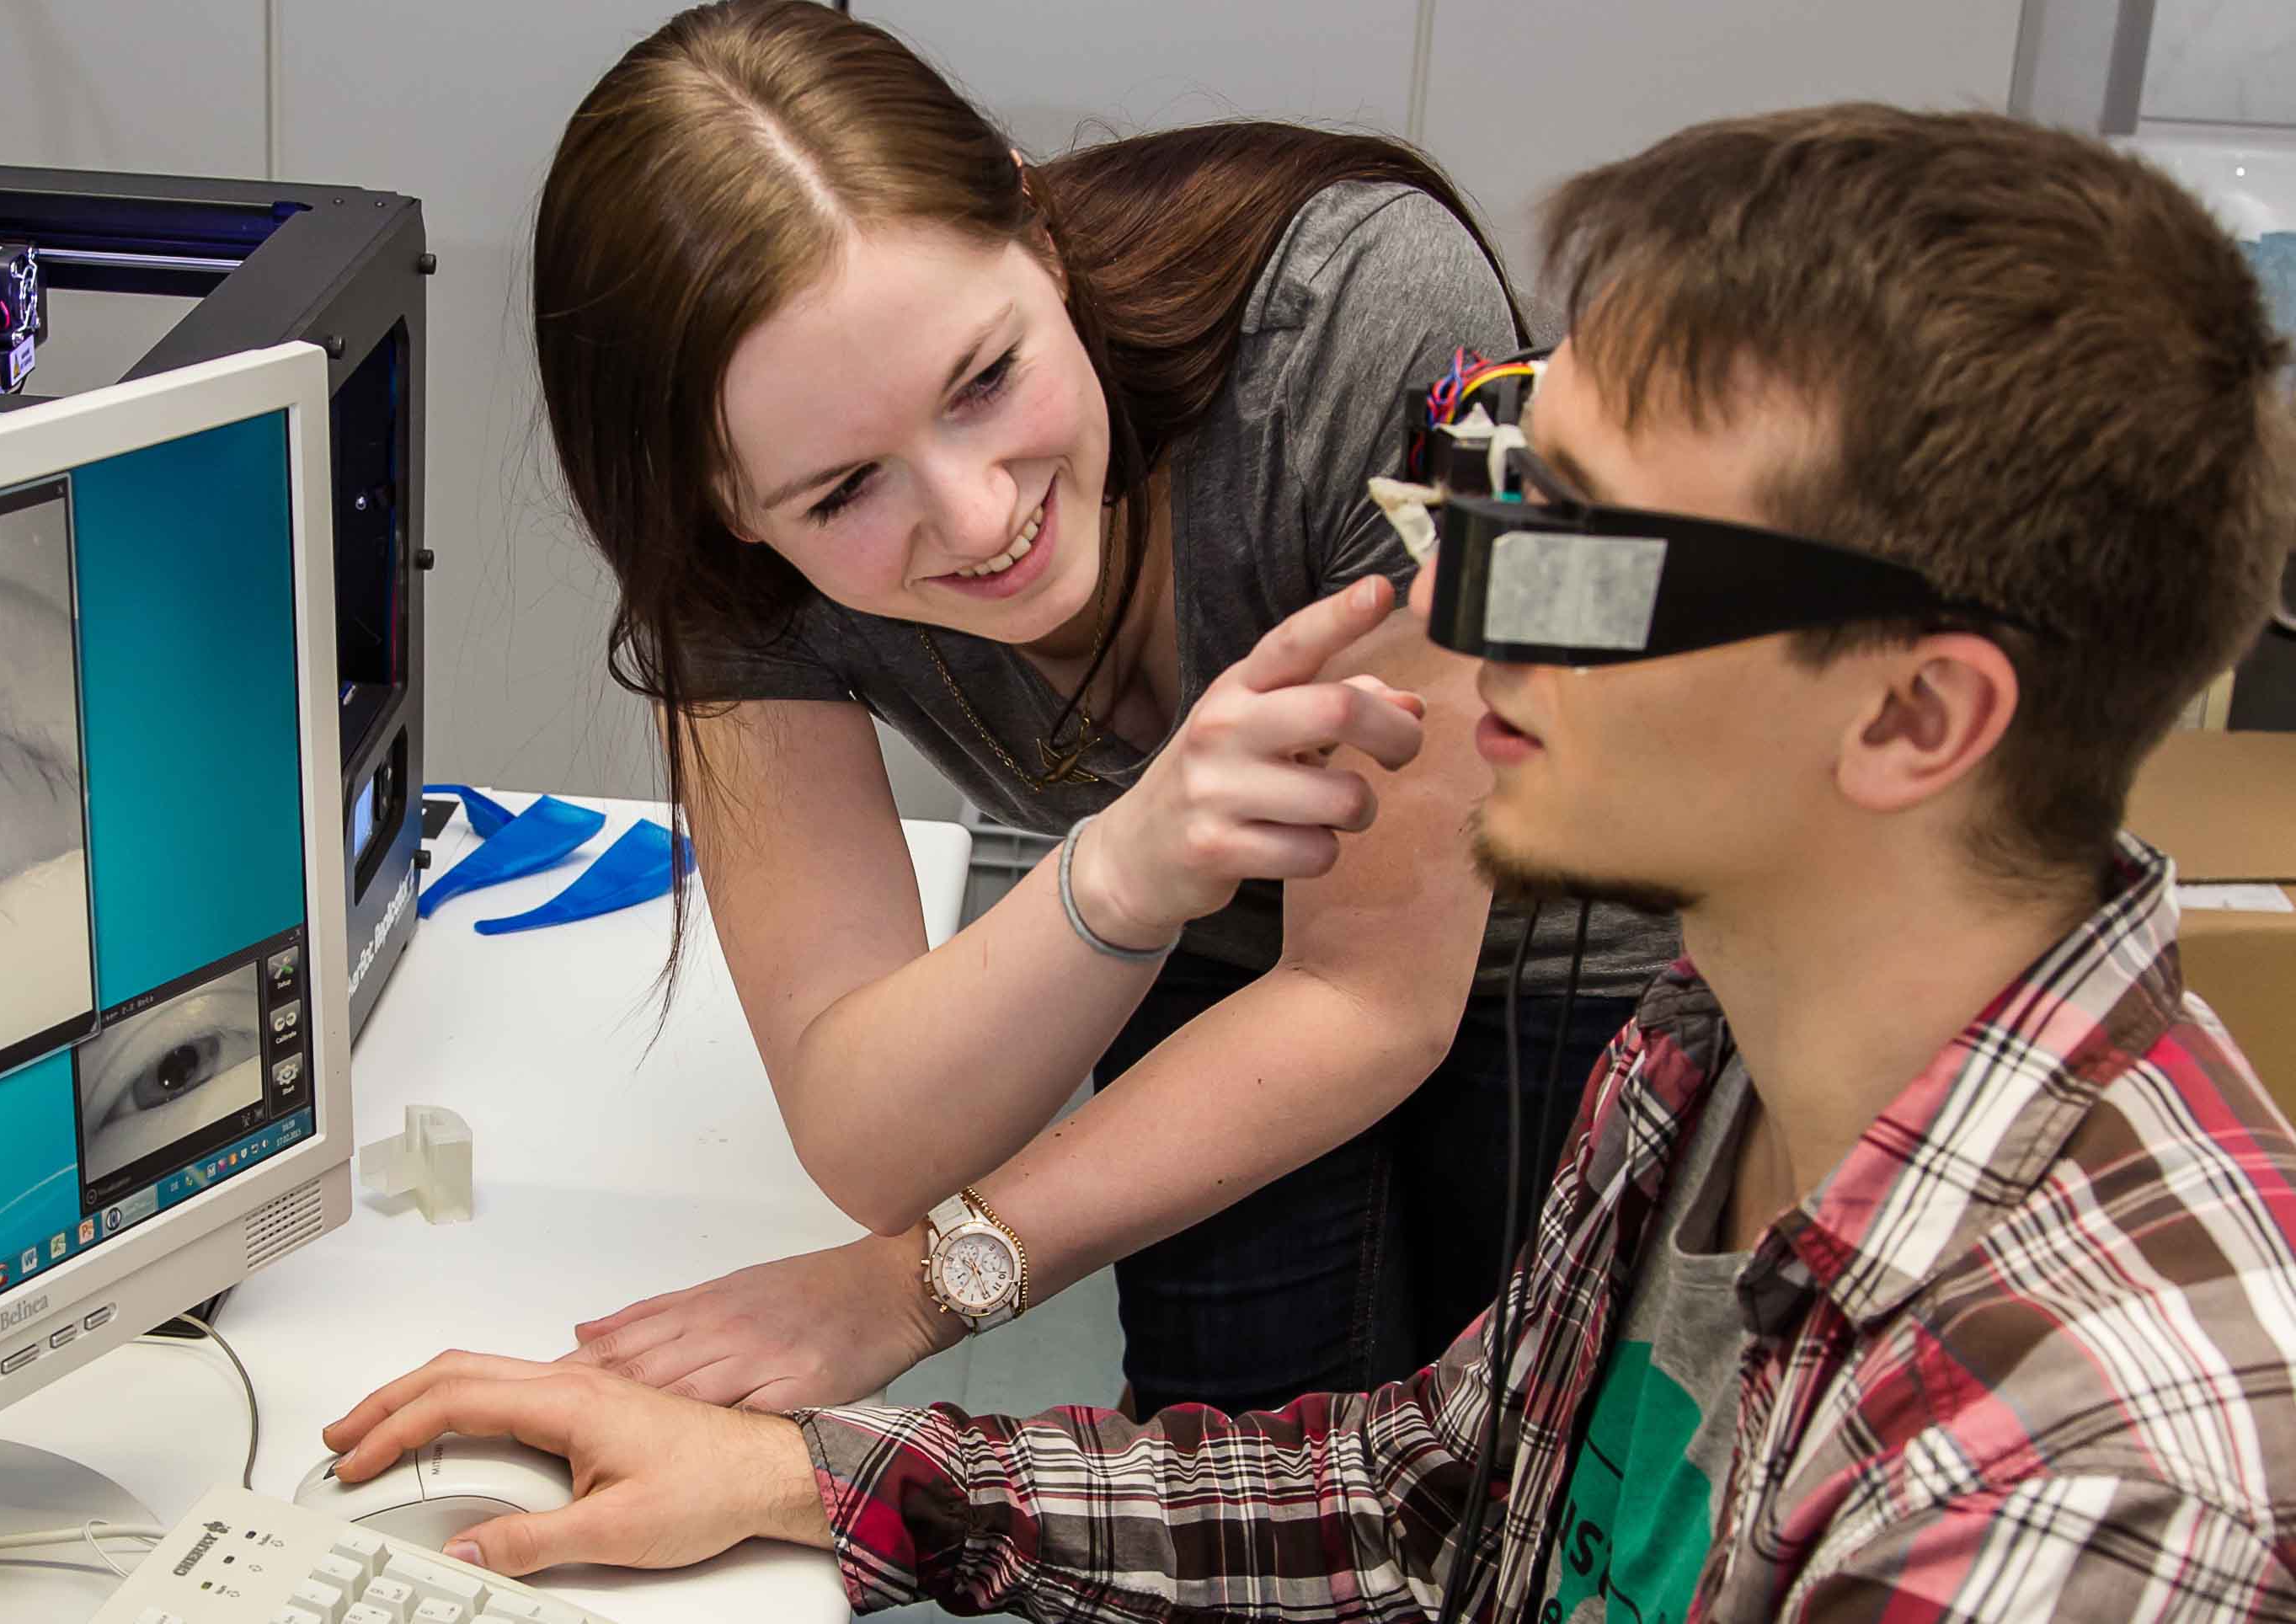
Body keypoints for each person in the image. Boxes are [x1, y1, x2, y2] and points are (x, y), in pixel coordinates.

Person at [324, 104, 2296, 1620]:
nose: (1438, 582)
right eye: (1500, 458)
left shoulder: (2087, 1498)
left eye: (1580, 535)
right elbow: (1431, 1491)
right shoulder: (1713, 1060)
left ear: (1909, 719)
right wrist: (806, 1477)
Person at [534, 0, 1670, 1422]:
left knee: (1527, 1470)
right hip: (1215, 910)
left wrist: (904, 1293)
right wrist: (1124, 869)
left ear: (1038, 226)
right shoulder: (721, 567)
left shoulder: (1355, 313)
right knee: (1224, 1451)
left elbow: (1378, 996)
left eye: (988, 379)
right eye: (841, 493)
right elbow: (871, 1135)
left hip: (1564, 926)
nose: (979, 514)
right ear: (727, 507)